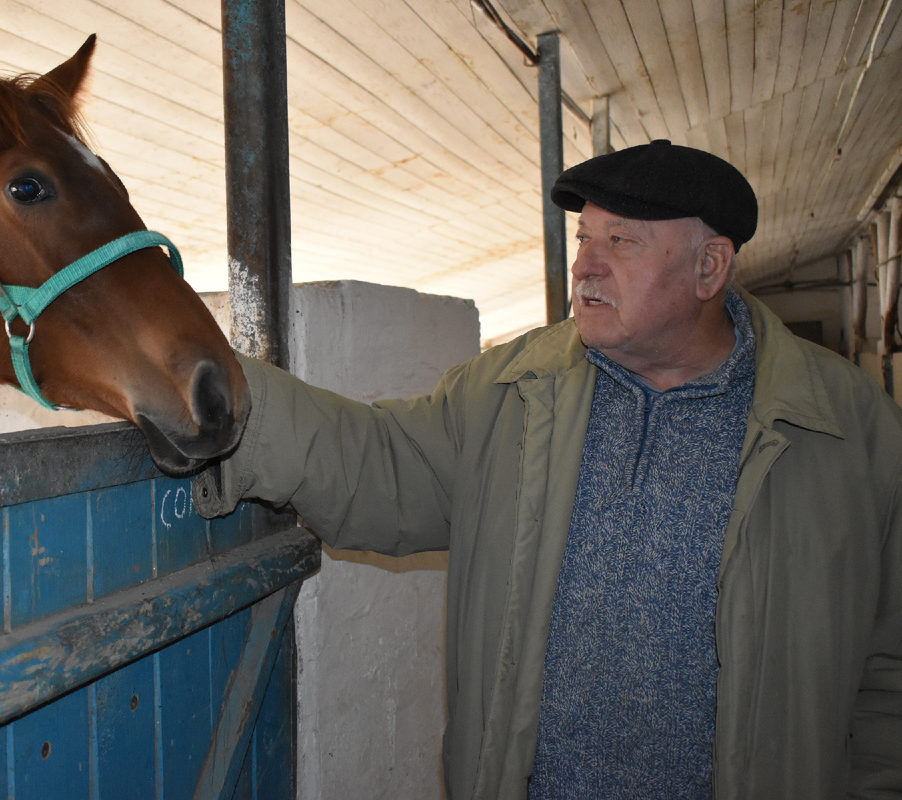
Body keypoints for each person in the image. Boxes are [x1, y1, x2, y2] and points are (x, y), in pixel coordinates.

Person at [192, 140, 902, 799]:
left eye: (620, 241)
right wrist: (217, 391)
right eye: (585, 238)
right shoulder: (513, 391)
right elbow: (378, 466)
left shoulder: (844, 427)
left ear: (709, 268)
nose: (586, 265)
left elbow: (888, 667)